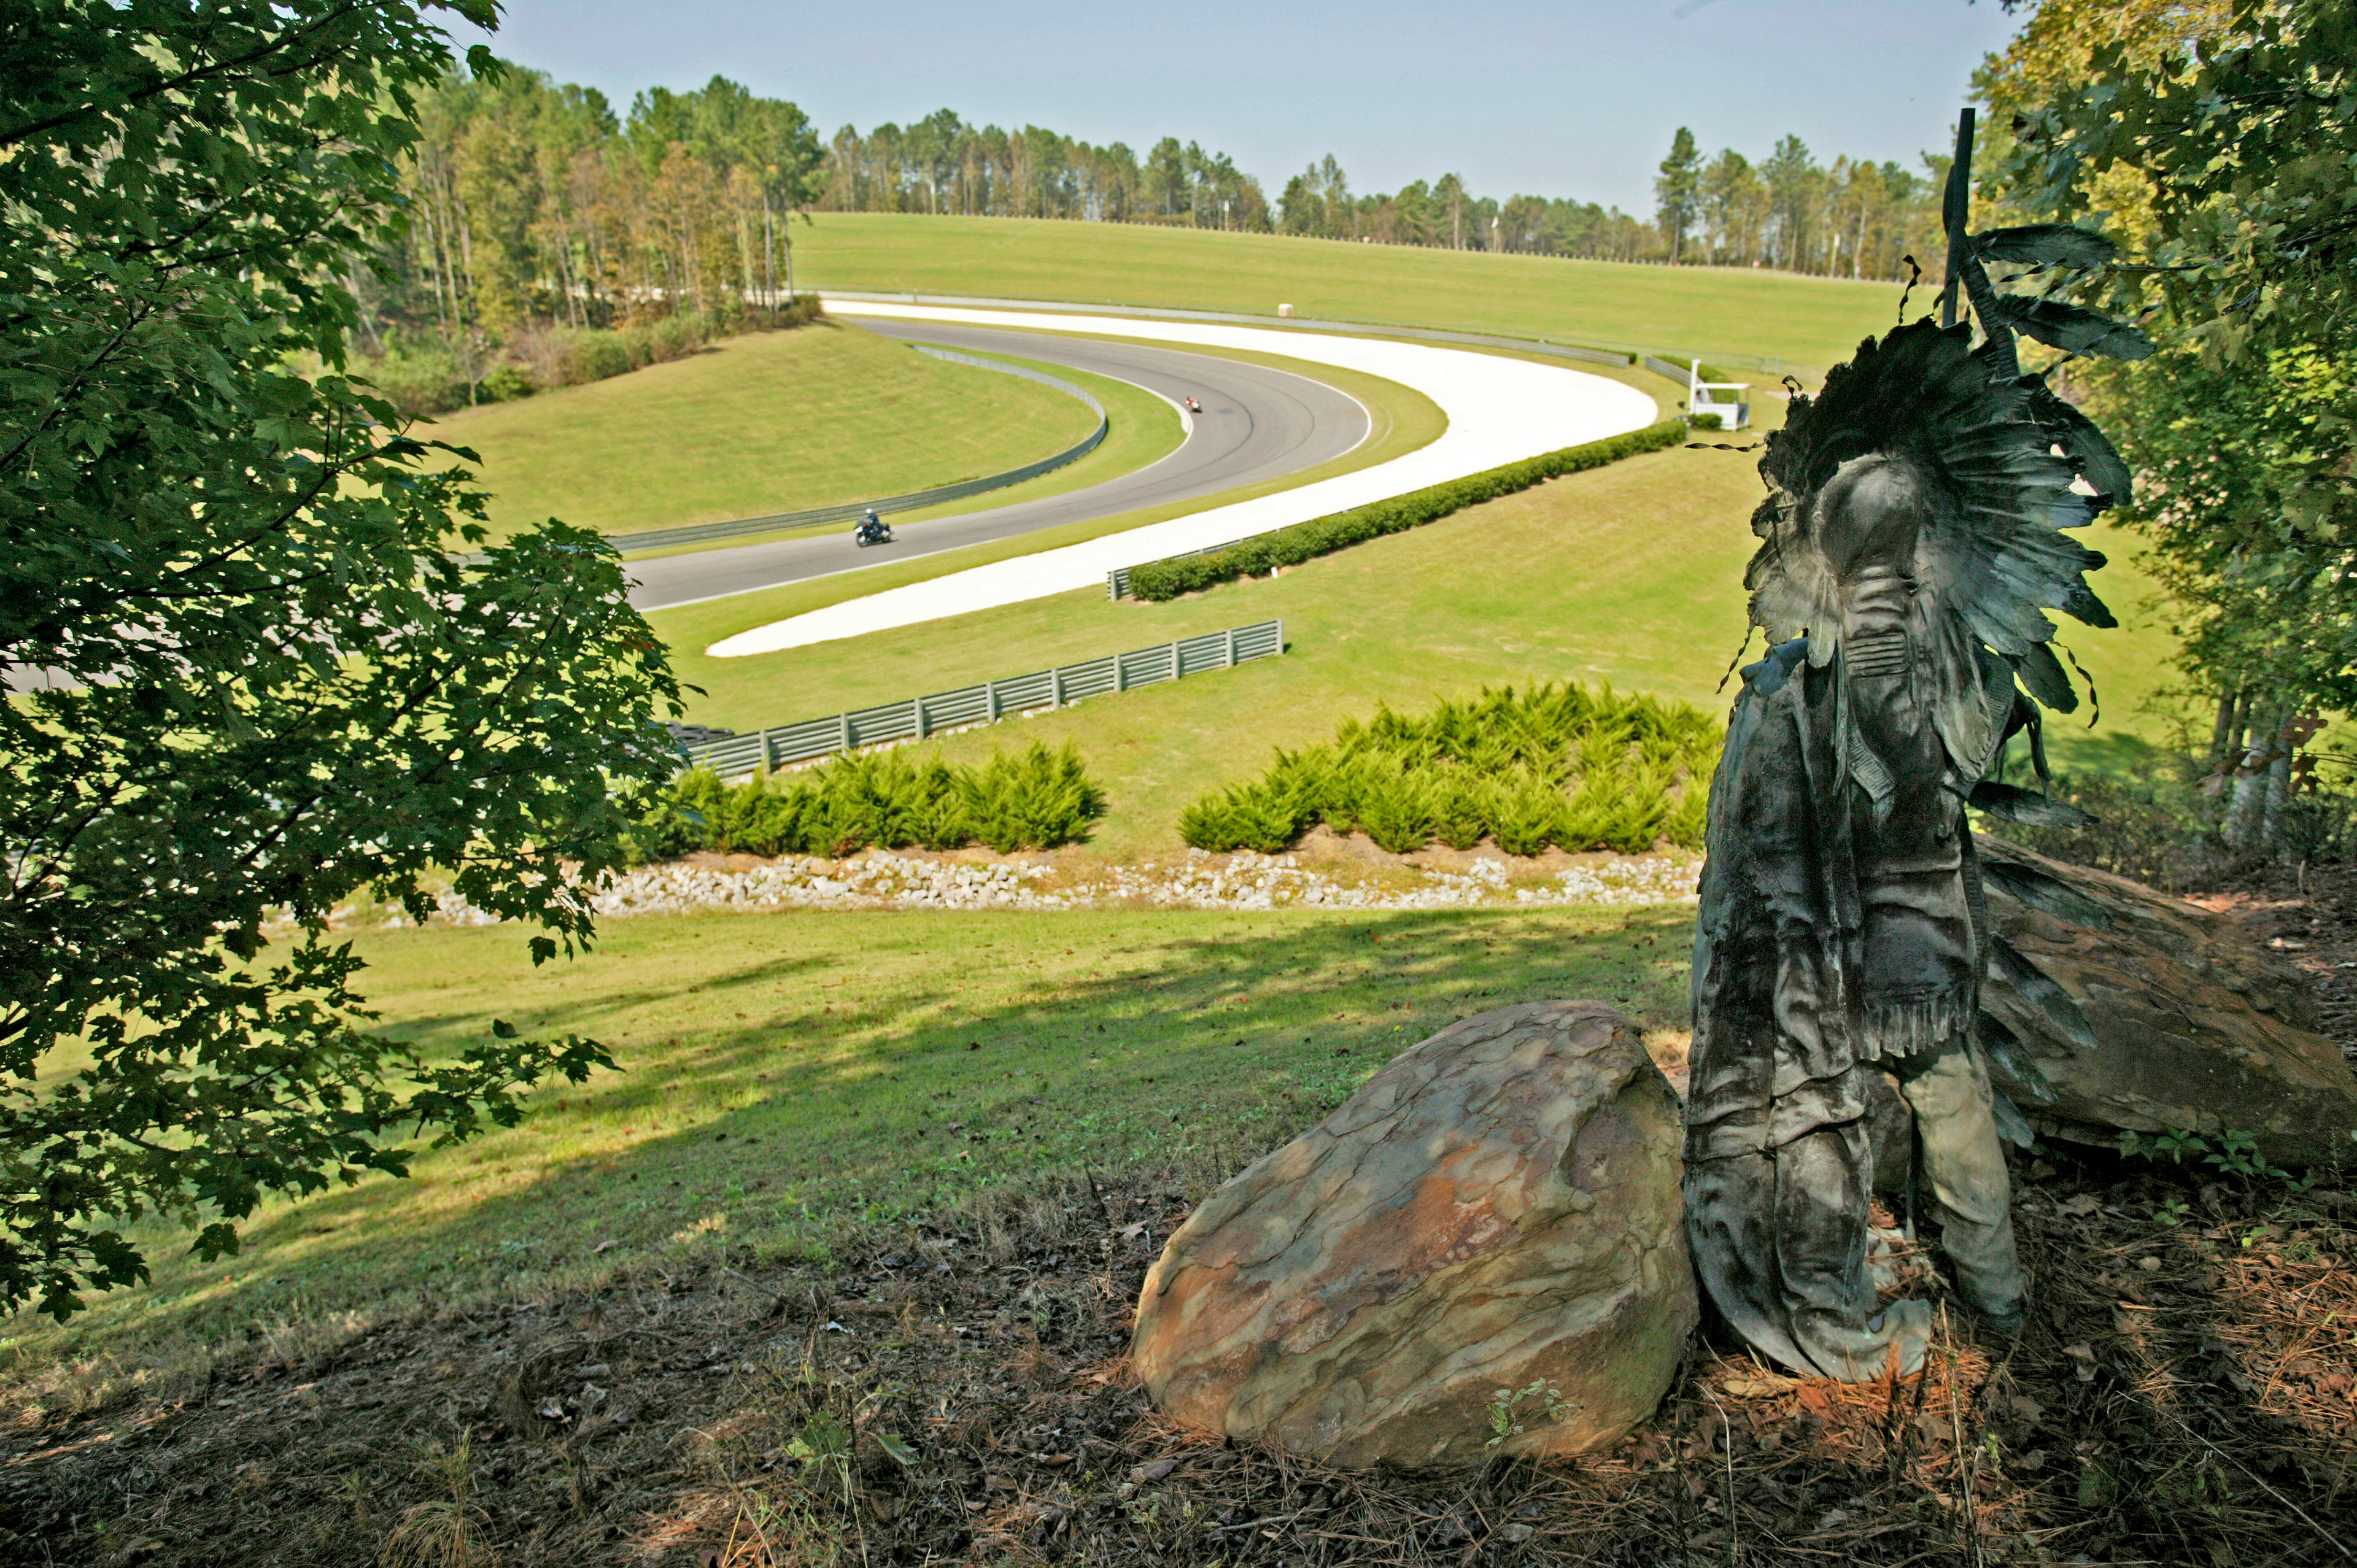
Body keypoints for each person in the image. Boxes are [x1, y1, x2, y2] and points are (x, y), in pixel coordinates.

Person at [1684, 314, 2126, 1380]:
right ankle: (2000, 1297)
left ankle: (1849, 1299)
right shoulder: (1961, 663)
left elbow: (1864, 808)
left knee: (1817, 1108)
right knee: (1946, 1098)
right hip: (1922, 931)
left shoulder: (1811, 680)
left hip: (1859, 943)